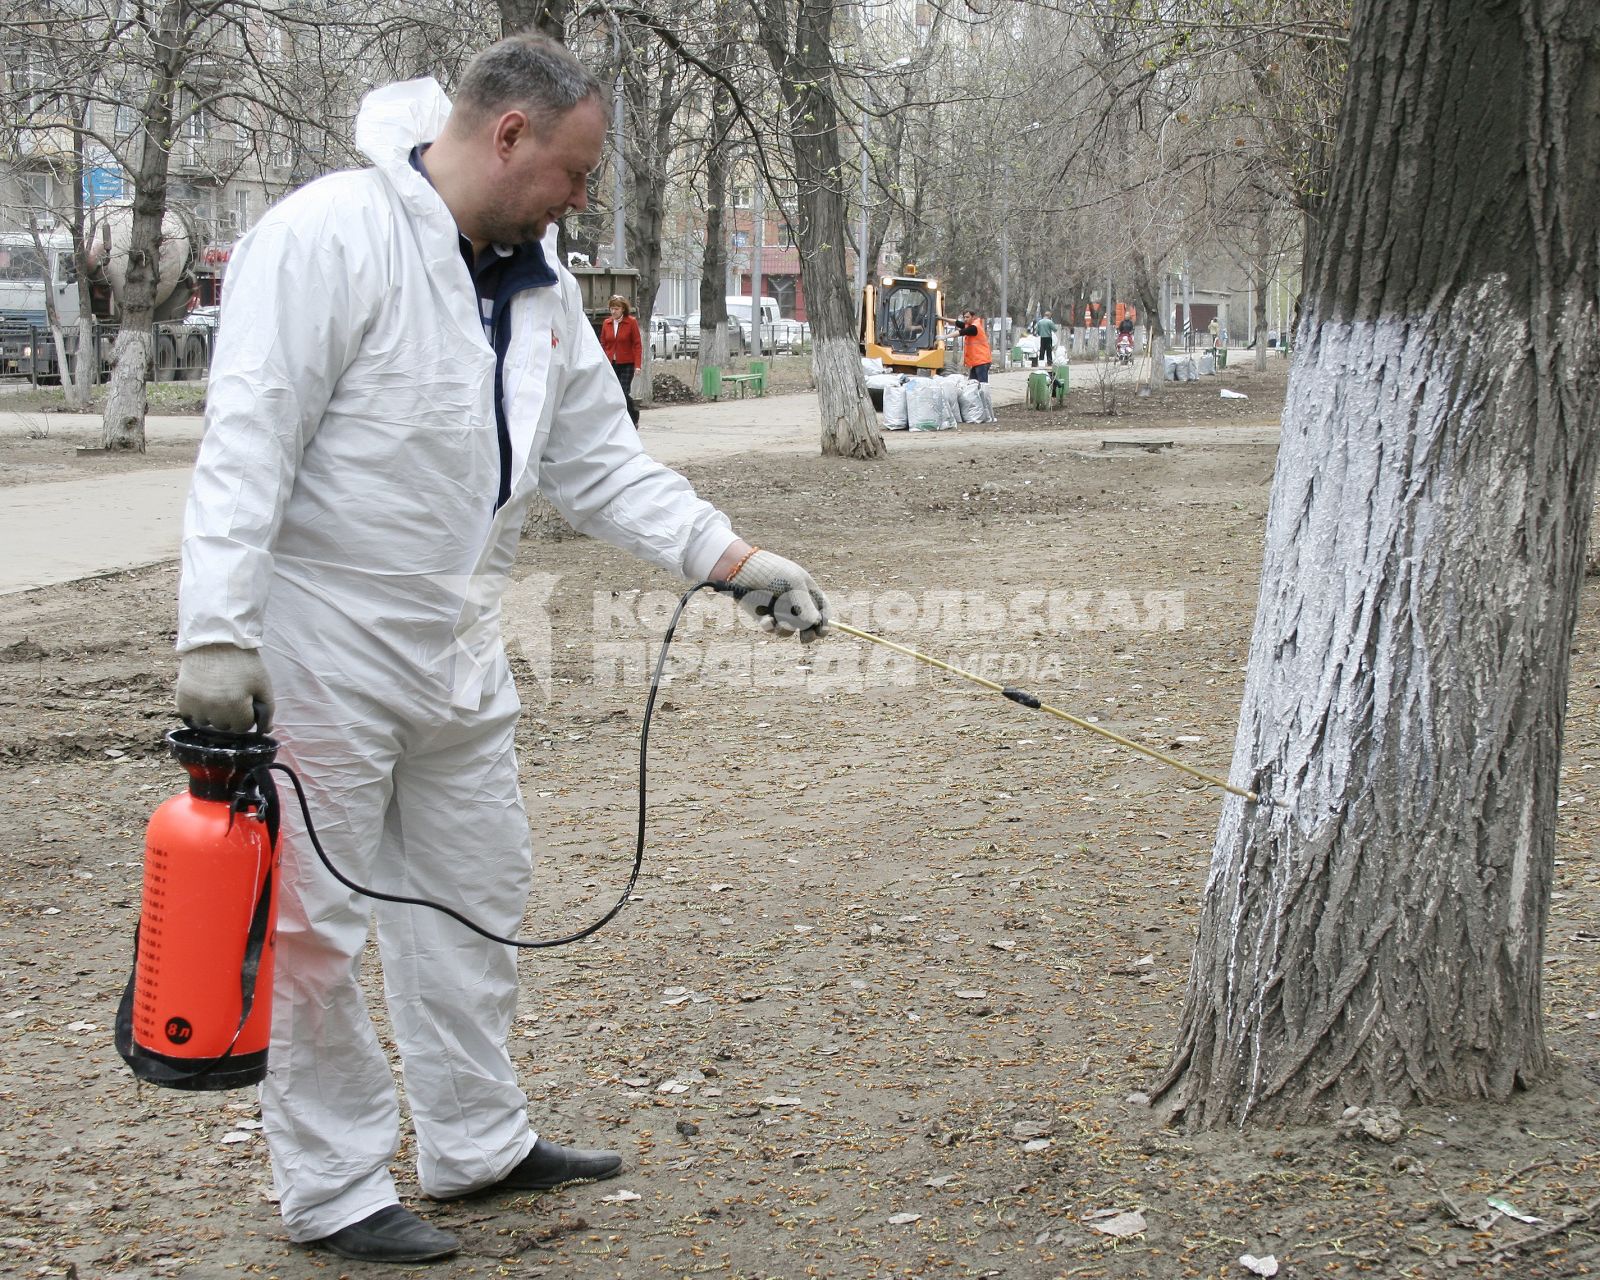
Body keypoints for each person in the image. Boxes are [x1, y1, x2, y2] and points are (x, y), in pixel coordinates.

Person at [173, 35, 829, 1266]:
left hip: (457, 636)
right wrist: (214, 637)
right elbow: (246, 436)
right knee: (315, 924)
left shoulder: (539, 289)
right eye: (574, 173)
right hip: (320, 637)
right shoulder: (327, 236)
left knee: (477, 892)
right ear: (510, 135)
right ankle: (333, 1185)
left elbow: (599, 461)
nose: (579, 200)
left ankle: (476, 1139)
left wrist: (729, 560)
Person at [599, 294, 642, 426]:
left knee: (623, 391)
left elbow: (637, 344)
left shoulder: (631, 322)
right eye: (612, 308)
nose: (613, 311)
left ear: (623, 309)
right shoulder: (607, 323)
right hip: (612, 363)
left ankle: (633, 417)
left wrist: (637, 365)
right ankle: (620, 418)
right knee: (613, 392)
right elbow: (603, 343)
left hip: (627, 363)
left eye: (616, 308)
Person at [938, 309, 992, 382]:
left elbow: (960, 332)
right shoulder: (969, 325)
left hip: (982, 362)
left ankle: (983, 393)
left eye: (967, 317)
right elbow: (957, 322)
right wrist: (942, 318)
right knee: (973, 383)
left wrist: (944, 337)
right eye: (964, 317)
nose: (965, 319)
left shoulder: (974, 328)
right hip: (978, 361)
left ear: (973, 317)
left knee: (982, 384)